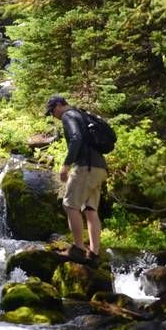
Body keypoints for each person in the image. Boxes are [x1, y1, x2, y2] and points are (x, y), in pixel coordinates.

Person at [45, 95, 107, 266]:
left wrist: (66, 165)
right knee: (90, 209)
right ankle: (94, 254)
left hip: (85, 167)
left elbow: (76, 138)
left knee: (70, 205)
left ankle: (78, 249)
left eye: (52, 111)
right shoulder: (82, 115)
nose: (53, 115)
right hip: (100, 167)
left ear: (59, 105)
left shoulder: (68, 115)